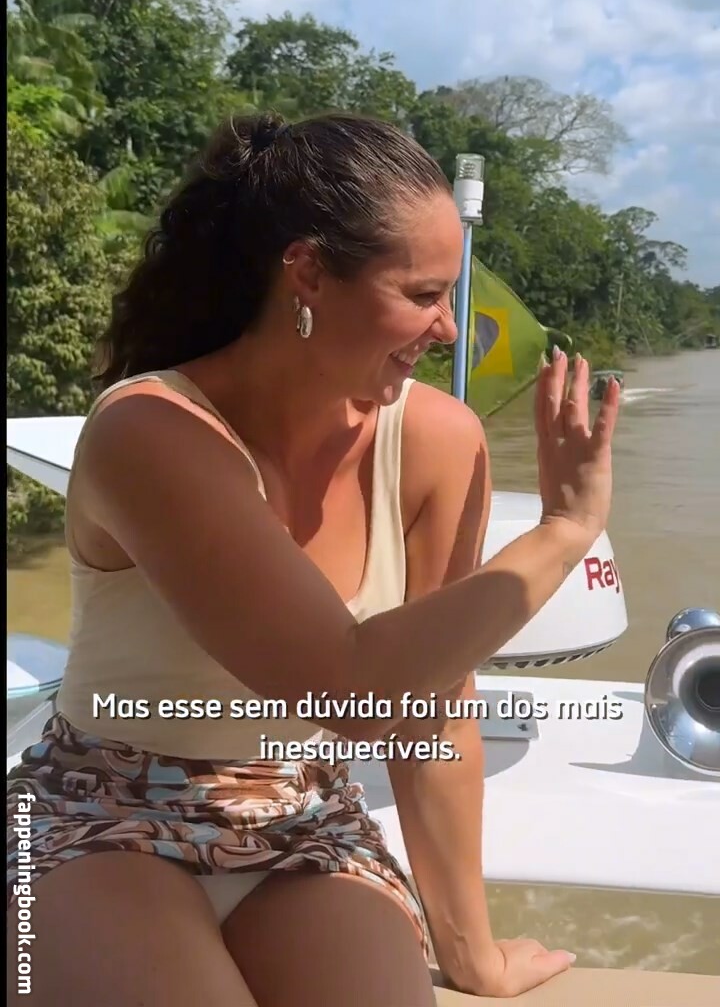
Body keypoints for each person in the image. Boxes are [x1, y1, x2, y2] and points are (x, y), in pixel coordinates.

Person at [7, 112, 620, 1006]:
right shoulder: (151, 432)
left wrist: (473, 954)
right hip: (94, 813)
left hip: (304, 820)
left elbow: (433, 707)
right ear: (308, 274)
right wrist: (563, 531)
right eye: (422, 294)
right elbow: (348, 693)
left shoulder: (437, 441)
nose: (449, 331)